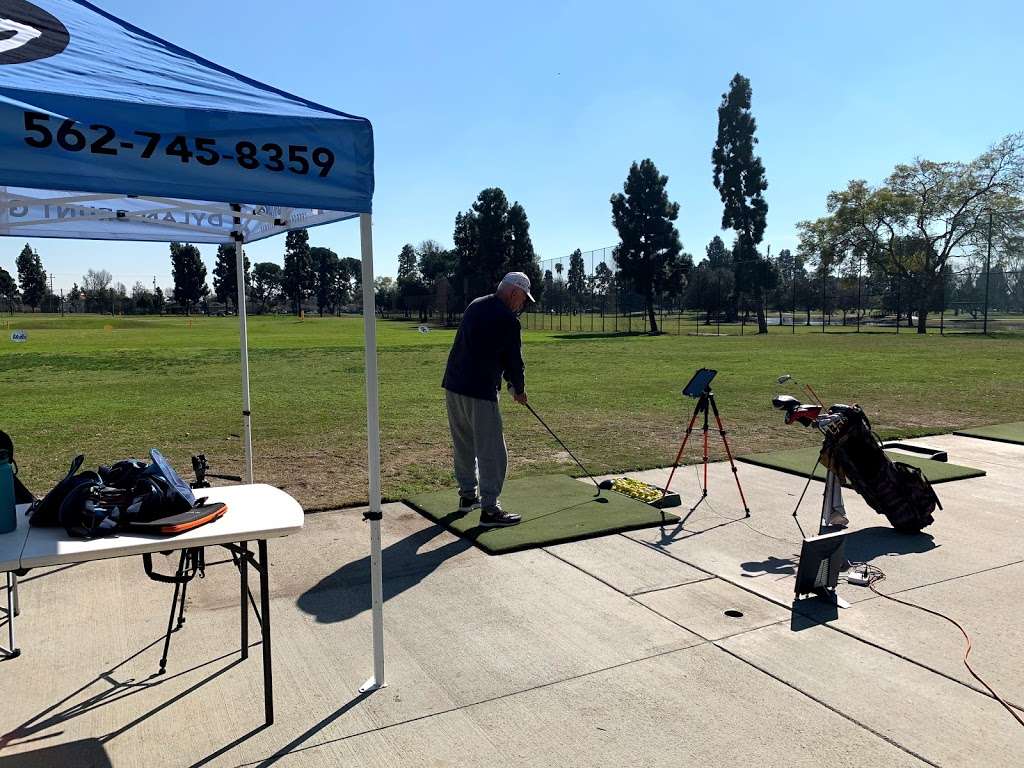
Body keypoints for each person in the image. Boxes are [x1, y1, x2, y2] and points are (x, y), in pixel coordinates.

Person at [442, 272, 534, 527]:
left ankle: (467, 496)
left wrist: (510, 382)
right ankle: (490, 510)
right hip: (479, 391)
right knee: (492, 451)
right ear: (514, 292)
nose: (522, 304)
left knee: (464, 444)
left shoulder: (476, 304)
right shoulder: (508, 319)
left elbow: (488, 350)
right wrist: (518, 388)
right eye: (523, 299)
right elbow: (513, 360)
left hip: (453, 385)